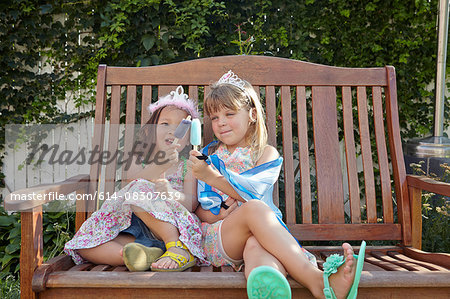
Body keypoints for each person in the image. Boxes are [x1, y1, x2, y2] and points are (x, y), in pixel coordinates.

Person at [188, 71, 365, 299]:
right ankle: (319, 283)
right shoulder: (207, 157)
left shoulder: (265, 153)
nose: (220, 122)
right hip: (222, 238)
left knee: (257, 248)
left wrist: (213, 177)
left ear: (252, 114)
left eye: (229, 114)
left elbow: (254, 191)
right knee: (253, 209)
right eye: (214, 117)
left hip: (264, 238)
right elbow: (199, 212)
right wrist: (222, 210)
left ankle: (268, 284)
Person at [64, 86, 206, 272]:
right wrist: (159, 166)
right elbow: (129, 186)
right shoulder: (138, 159)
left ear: (188, 139)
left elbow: (191, 204)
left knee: (141, 190)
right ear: (150, 130)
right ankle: (135, 256)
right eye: (165, 124)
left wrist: (171, 194)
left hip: (172, 227)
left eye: (181, 126)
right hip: (132, 227)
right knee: (84, 246)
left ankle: (174, 246)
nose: (172, 131)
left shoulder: (187, 166)